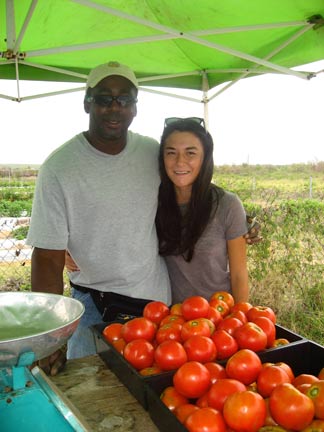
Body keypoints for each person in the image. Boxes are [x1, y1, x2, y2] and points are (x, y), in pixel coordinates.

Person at [27, 61, 172, 374]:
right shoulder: (59, 167)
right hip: (94, 304)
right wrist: (51, 334)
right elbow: (48, 258)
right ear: (87, 103)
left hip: (155, 303)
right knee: (93, 394)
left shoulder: (152, 153)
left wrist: (234, 221)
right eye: (105, 98)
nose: (115, 108)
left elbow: (192, 194)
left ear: (135, 107)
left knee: (157, 392)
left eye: (125, 99)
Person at [156, 117, 249, 304]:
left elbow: (239, 274)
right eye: (171, 153)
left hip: (219, 315)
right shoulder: (153, 202)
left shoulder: (227, 205)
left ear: (205, 157)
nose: (180, 162)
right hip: (171, 321)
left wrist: (240, 317)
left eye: (190, 153)